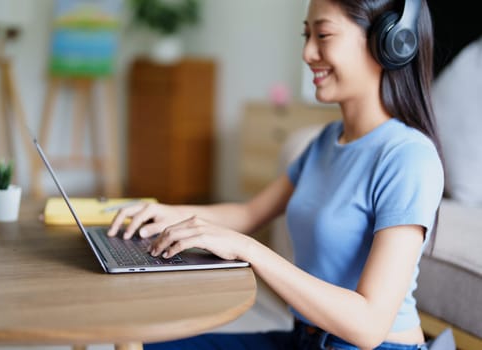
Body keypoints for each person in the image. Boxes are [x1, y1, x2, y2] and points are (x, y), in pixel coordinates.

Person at [108, 0, 443, 349]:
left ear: (390, 41)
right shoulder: (326, 141)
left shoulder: (409, 157)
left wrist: (249, 250)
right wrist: (167, 214)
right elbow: (249, 213)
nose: (308, 52)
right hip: (304, 338)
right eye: (306, 35)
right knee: (136, 341)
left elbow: (370, 326)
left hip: (374, 346)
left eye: (323, 34)